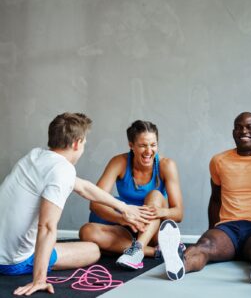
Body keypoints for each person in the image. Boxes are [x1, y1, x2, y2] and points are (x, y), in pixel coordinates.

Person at [0, 112, 152, 296]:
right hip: (13, 262)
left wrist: (125, 208)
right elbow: (47, 226)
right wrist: (39, 280)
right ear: (76, 143)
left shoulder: (36, 155)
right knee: (93, 250)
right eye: (84, 143)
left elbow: (84, 187)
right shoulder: (61, 170)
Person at [158, 112, 251, 285]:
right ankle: (179, 265)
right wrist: (212, 231)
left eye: (249, 127)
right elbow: (216, 199)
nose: (244, 131)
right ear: (233, 133)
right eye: (239, 127)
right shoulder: (218, 161)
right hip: (227, 229)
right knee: (205, 245)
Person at [79, 120, 184, 269]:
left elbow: (179, 214)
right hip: (128, 228)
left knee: (154, 195)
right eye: (142, 145)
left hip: (153, 229)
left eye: (153, 145)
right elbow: (95, 203)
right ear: (131, 145)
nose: (149, 151)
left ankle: (137, 249)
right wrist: (123, 218)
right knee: (86, 231)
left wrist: (159, 212)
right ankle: (154, 252)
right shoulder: (119, 162)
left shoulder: (166, 165)